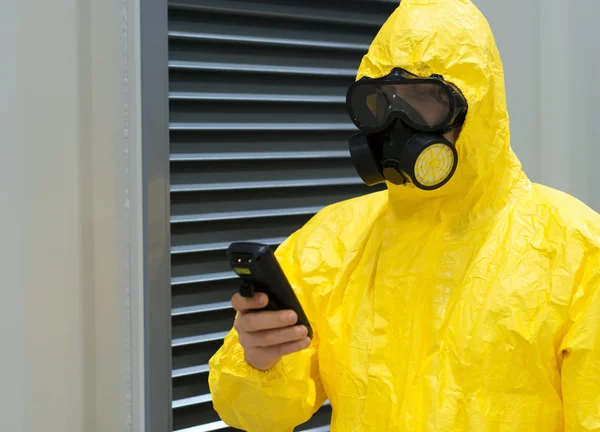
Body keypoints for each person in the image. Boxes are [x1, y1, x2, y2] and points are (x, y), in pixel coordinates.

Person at [208, 0, 600, 430]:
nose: (398, 123)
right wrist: (259, 362)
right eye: (381, 101)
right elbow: (260, 414)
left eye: (423, 101)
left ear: (477, 109)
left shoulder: (574, 250)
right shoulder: (331, 243)